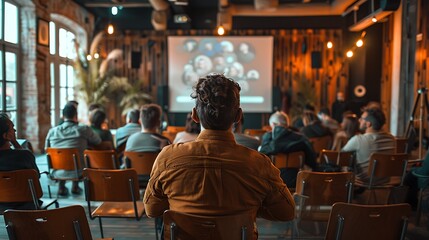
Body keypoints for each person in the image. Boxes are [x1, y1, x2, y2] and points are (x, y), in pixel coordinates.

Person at [144, 74, 295, 237]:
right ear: (238, 116)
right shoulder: (260, 164)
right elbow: (286, 212)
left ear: (194, 115)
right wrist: (251, 208)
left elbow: (152, 210)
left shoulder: (167, 158)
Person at [45, 104, 101, 196]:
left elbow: (46, 150)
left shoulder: (52, 132)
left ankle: (61, 186)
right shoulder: (84, 129)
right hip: (78, 172)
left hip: (56, 172)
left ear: (63, 117)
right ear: (76, 115)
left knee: (60, 154)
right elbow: (98, 141)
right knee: (80, 155)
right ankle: (75, 186)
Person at [259, 111, 318, 187]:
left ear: (273, 124)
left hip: (272, 182)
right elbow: (312, 162)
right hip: (296, 182)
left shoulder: (268, 138)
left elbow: (261, 160)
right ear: (287, 124)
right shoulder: (301, 139)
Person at [341, 105, 395, 186]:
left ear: (368, 124)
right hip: (385, 180)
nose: (359, 120)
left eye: (362, 118)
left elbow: (340, 156)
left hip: (364, 181)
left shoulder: (358, 140)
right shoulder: (391, 138)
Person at [0, 113, 40, 211]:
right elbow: (36, 176)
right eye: (12, 128)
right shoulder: (25, 156)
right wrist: (14, 142)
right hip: (27, 204)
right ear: (6, 135)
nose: (15, 130)